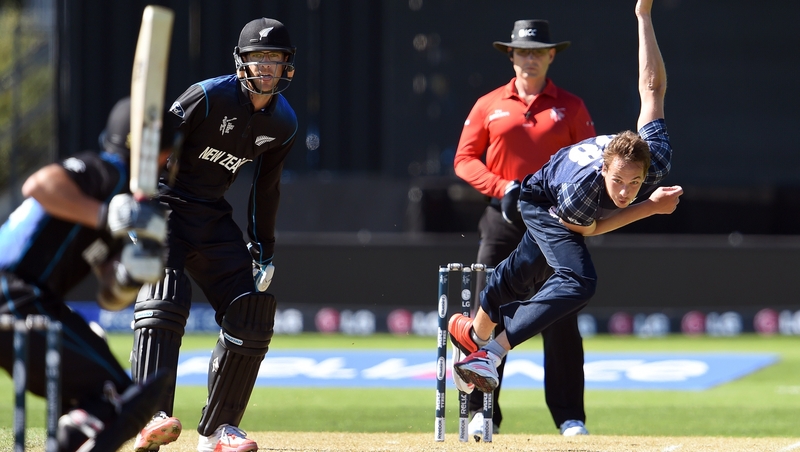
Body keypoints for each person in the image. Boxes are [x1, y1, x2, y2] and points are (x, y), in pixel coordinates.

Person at [449, 0, 681, 432]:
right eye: (619, 183)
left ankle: (474, 335)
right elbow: (591, 225)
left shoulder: (656, 155)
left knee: (532, 282)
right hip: (543, 201)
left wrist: (643, 15)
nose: (626, 192)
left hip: (563, 192)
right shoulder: (588, 190)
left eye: (636, 183)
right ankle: (489, 355)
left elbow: (652, 89)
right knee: (577, 280)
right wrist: (649, 207)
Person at [130, 17, 298, 452]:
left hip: (210, 216)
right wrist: (136, 204)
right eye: (257, 59)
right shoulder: (206, 96)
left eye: (274, 60)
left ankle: (219, 431)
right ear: (240, 63)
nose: (266, 69)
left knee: (252, 310)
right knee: (165, 295)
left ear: (286, 67)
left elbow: (267, 188)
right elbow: (153, 144)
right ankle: (151, 414)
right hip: (165, 204)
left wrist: (264, 249)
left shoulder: (283, 123)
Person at [0, 97, 175, 452]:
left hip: (32, 301)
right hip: (13, 292)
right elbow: (38, 184)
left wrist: (129, 277)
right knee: (124, 397)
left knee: (104, 396)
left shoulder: (123, 200)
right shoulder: (107, 171)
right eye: (169, 151)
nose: (171, 162)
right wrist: (104, 213)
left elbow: (108, 297)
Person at [453, 17, 596, 438]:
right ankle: (483, 412)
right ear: (511, 55)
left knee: (562, 317)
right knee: (488, 312)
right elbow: (464, 160)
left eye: (537, 52)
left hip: (555, 222)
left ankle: (570, 417)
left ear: (551, 55)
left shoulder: (572, 106)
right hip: (502, 219)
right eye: (522, 52)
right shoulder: (488, 104)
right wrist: (504, 188)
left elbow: (591, 165)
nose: (529, 59)